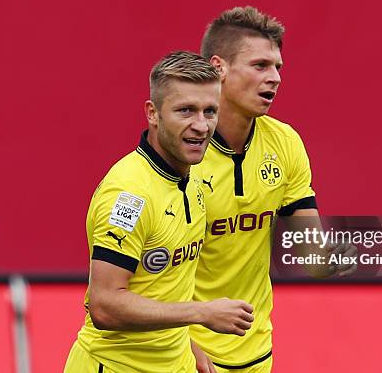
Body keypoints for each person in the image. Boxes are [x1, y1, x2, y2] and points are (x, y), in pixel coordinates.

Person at [189, 7, 358, 372]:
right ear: (219, 68)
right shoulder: (183, 151)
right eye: (260, 65)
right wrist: (181, 344)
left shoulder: (285, 143)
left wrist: (336, 258)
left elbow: (310, 253)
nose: (276, 77)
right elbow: (141, 279)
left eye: (278, 67)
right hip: (184, 354)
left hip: (255, 354)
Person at [64, 51, 255, 373]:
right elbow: (105, 305)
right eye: (185, 111)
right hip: (114, 367)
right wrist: (201, 313)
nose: (201, 125)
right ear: (153, 113)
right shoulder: (129, 194)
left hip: (174, 364)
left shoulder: (191, 180)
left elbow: (163, 286)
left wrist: (187, 344)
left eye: (210, 111)